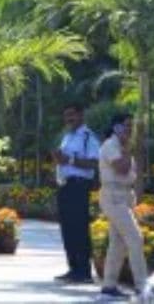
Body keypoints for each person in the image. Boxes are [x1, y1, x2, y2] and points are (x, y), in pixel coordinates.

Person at [97, 113, 148, 300]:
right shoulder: (111, 145)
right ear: (116, 127)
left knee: (118, 243)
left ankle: (109, 287)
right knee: (135, 238)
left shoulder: (121, 146)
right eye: (126, 125)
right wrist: (127, 149)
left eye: (131, 126)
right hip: (113, 197)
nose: (130, 129)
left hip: (124, 196)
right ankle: (142, 286)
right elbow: (122, 168)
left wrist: (126, 147)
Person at [52, 102, 100, 284]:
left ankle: (84, 272)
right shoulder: (67, 137)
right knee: (67, 228)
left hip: (79, 186)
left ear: (81, 115)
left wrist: (69, 160)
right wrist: (59, 159)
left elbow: (93, 163)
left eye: (72, 115)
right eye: (66, 115)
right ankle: (73, 269)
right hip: (65, 185)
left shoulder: (88, 137)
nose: (68, 119)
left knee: (79, 228)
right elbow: (64, 160)